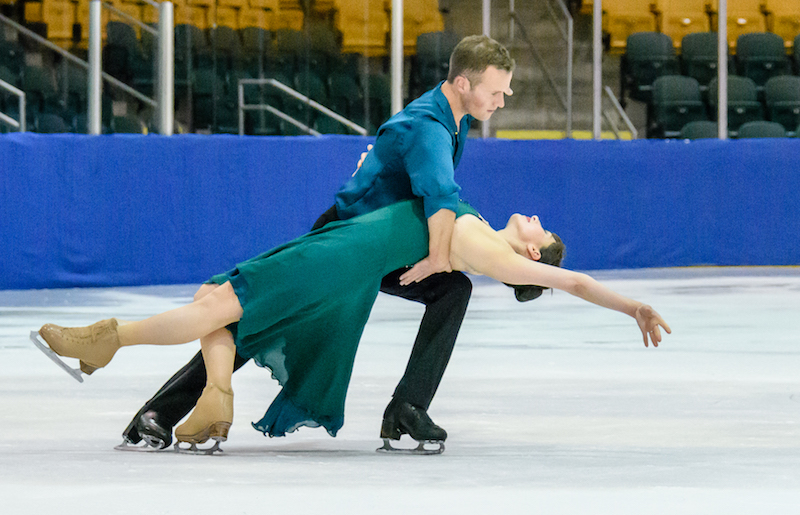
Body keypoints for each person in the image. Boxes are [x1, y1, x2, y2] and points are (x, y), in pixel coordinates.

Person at [118, 35, 517, 451]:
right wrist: (438, 257)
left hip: (381, 247)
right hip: (344, 242)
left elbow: (429, 188)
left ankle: (408, 407)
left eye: (505, 92)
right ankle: (159, 411)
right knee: (262, 314)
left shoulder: (457, 117)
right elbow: (439, 195)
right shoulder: (431, 127)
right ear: (463, 84)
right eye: (495, 92)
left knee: (453, 291)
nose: (501, 102)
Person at [37, 198, 670, 454]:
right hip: (352, 248)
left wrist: (633, 306)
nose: (536, 217)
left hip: (343, 260)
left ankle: (112, 344)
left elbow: (578, 282)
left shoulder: (498, 255)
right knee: (222, 305)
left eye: (544, 230)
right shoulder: (476, 234)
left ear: (532, 256)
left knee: (219, 305)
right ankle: (198, 389)